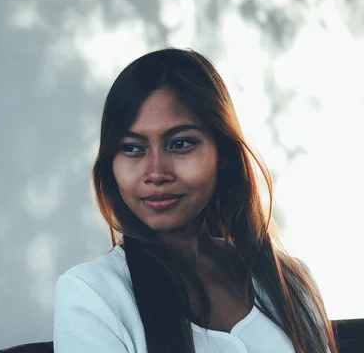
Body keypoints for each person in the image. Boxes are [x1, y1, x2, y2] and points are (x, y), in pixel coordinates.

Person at [52, 48, 337, 353]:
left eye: (180, 143)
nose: (156, 172)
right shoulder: (92, 294)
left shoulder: (289, 282)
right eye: (133, 148)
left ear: (223, 154)